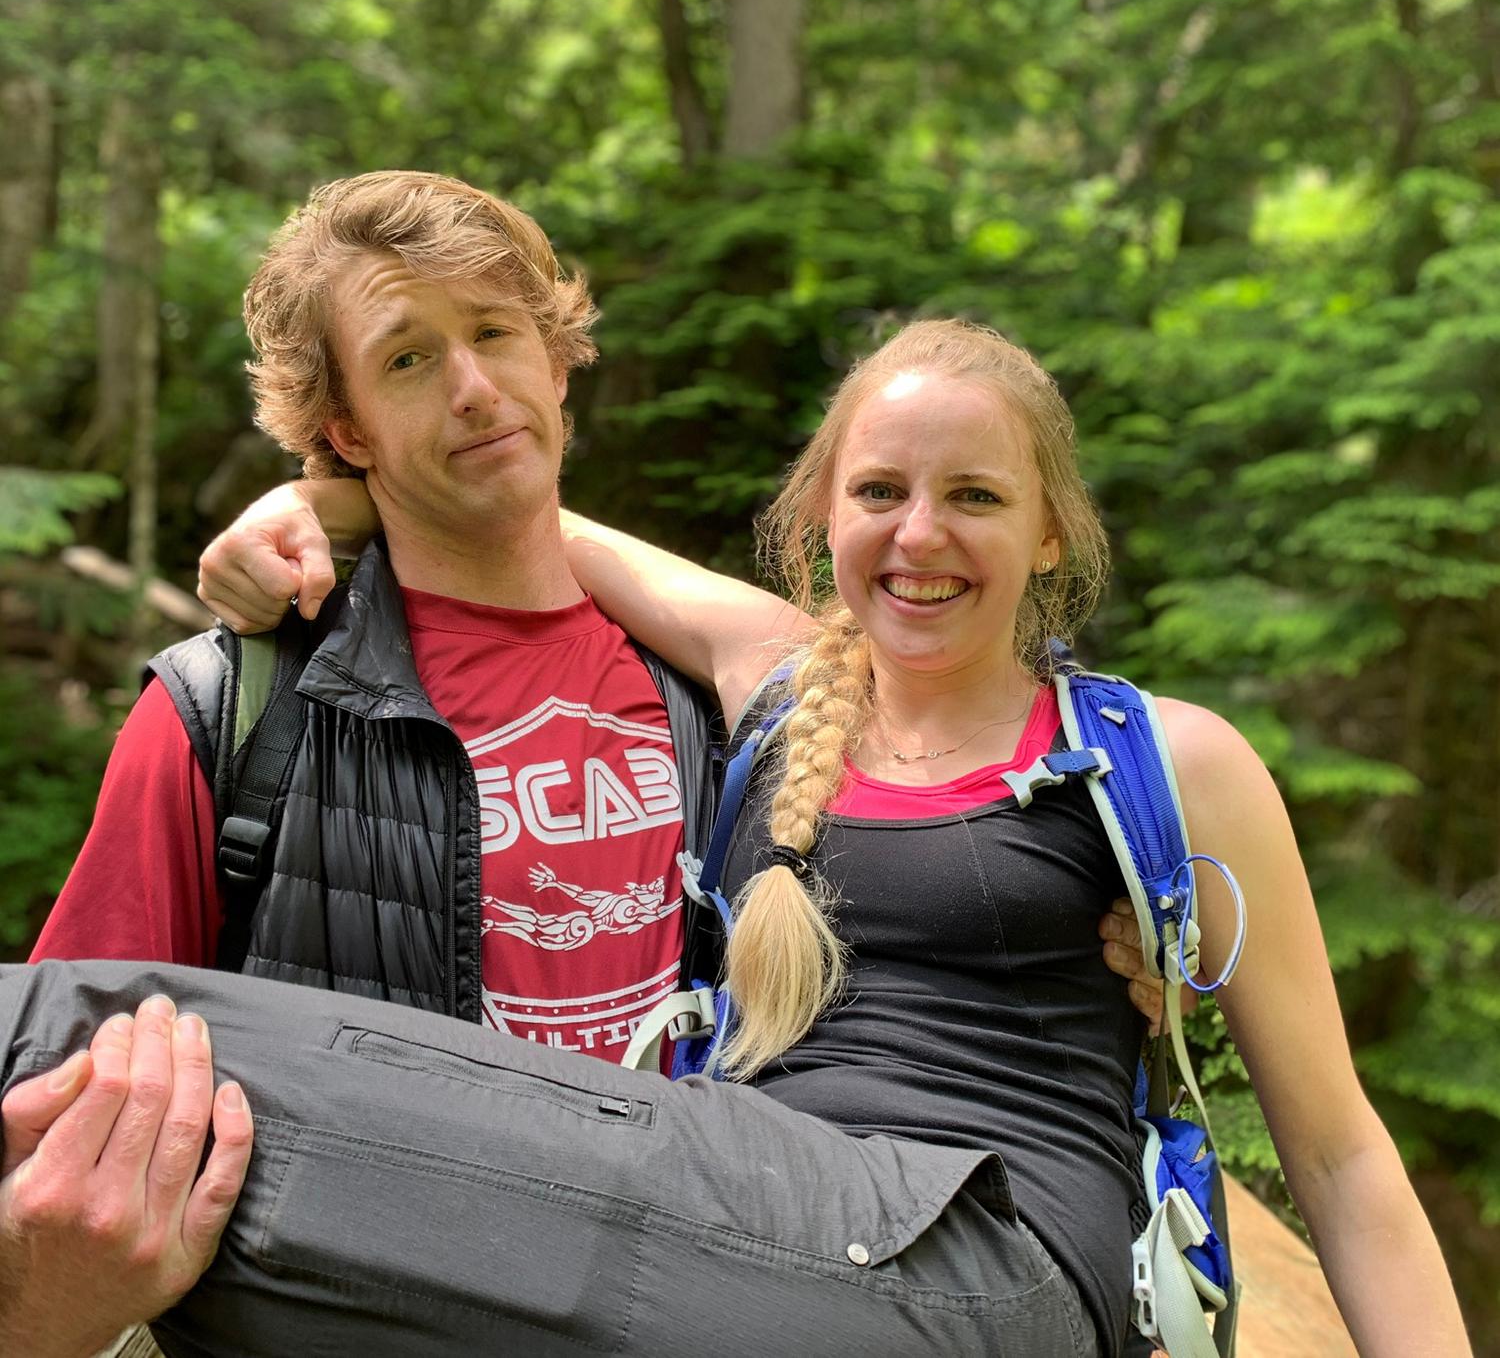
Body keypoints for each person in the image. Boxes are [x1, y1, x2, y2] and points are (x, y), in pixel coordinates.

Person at [3, 174, 1163, 1357]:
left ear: (557, 361)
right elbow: (53, 1123)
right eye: (407, 359)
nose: (473, 386)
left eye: (497, 333)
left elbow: (919, 986)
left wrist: (1127, 954)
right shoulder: (235, 714)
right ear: (344, 430)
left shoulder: (734, 717)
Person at [183, 318, 1472, 1356]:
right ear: (822, 518)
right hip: (724, 1222)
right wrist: (322, 508)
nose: (921, 535)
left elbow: (1342, 1153)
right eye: (880, 491)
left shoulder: (1170, 761)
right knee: (236, 1093)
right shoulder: (778, 684)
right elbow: (517, 517)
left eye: (974, 494)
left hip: (995, 1259)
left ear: (1049, 532)